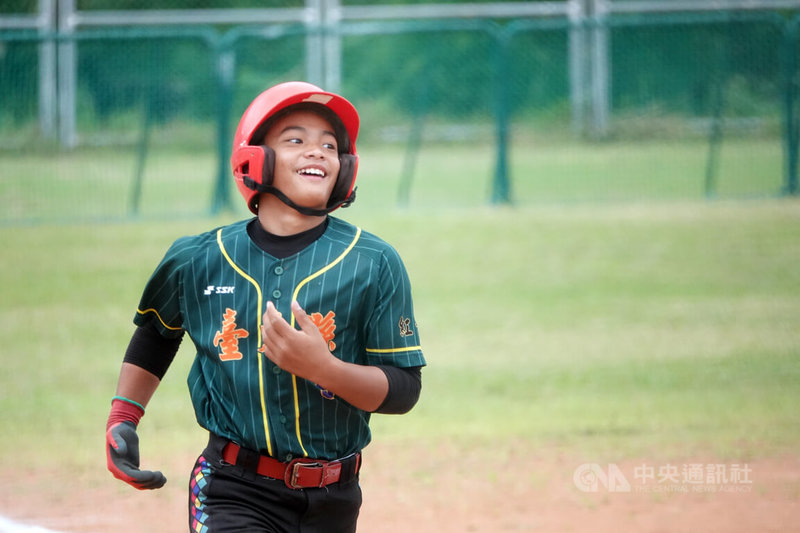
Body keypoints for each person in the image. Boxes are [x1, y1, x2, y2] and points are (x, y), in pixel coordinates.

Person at [105, 81, 426, 533]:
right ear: (255, 159)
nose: (316, 152)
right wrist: (124, 418)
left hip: (336, 496)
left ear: (346, 168)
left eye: (329, 146)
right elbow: (157, 334)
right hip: (232, 487)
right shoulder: (199, 257)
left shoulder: (372, 261)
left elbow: (404, 389)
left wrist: (324, 369)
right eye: (295, 140)